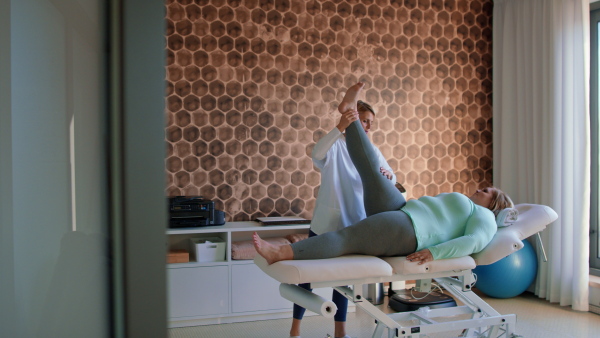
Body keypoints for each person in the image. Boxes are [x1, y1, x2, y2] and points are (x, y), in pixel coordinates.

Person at [253, 82, 514, 268]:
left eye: (488, 192)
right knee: (370, 171)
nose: (482, 189)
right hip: (402, 210)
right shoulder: (343, 147)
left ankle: (279, 253)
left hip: (410, 231)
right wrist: (385, 177)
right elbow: (386, 176)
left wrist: (433, 253)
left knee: (346, 238)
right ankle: (349, 109)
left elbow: (473, 242)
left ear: (495, 205)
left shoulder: (484, 218)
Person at [289, 100, 396, 338]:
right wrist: (339, 127)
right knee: (307, 278)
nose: (367, 126)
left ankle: (340, 333)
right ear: (352, 121)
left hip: (353, 225)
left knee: (343, 282)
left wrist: (388, 175)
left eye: (370, 122)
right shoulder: (336, 145)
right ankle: (295, 330)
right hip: (326, 223)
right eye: (363, 120)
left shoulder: (372, 151)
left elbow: (390, 178)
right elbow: (316, 153)